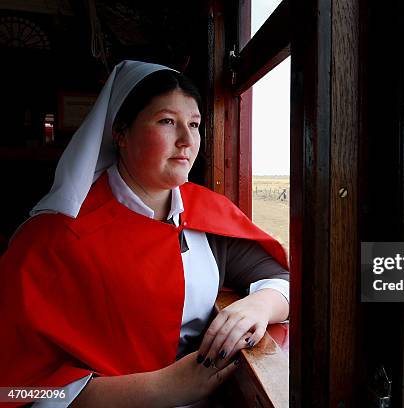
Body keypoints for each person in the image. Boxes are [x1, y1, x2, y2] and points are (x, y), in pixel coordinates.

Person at [0, 60, 289, 407]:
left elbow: (283, 279)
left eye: (194, 124)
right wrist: (162, 386)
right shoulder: (53, 236)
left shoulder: (209, 216)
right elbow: (15, 390)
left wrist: (258, 306)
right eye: (167, 121)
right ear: (120, 132)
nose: (187, 139)